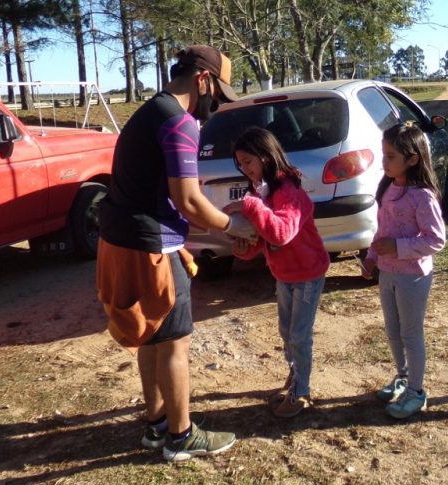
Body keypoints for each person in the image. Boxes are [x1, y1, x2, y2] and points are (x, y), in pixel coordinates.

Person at [95, 45, 255, 462]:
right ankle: (181, 436)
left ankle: (157, 424)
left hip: (121, 240)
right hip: (153, 247)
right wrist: (232, 227)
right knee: (176, 344)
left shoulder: (151, 111)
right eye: (217, 94)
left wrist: (213, 224)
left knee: (150, 336)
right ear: (203, 80)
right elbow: (188, 200)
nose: (216, 105)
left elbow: (171, 196)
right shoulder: (179, 123)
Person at [228, 127, 330, 419]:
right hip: (284, 273)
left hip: (308, 272)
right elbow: (263, 238)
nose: (244, 169)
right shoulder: (259, 190)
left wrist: (251, 206)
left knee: (299, 335)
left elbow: (282, 233)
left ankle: (301, 393)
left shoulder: (288, 190)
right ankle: (295, 376)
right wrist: (241, 248)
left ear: (266, 156)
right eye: (240, 163)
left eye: (248, 161)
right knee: (286, 332)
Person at [362, 123, 446, 419]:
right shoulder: (389, 189)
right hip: (387, 273)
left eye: (390, 156)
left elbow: (436, 239)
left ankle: (416, 391)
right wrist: (372, 257)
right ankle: (403, 377)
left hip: (413, 276)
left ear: (412, 159)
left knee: (411, 334)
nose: (384, 163)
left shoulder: (422, 196)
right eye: (383, 155)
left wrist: (397, 247)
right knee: (393, 331)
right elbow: (382, 231)